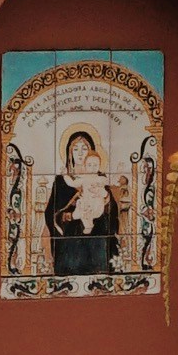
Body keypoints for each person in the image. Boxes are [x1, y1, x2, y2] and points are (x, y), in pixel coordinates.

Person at [43, 120, 129, 282]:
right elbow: (51, 215)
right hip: (70, 246)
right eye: (76, 149)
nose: (80, 153)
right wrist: (73, 215)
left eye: (85, 149)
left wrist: (105, 200)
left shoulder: (99, 179)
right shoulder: (62, 181)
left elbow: (112, 215)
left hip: (96, 244)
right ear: (70, 153)